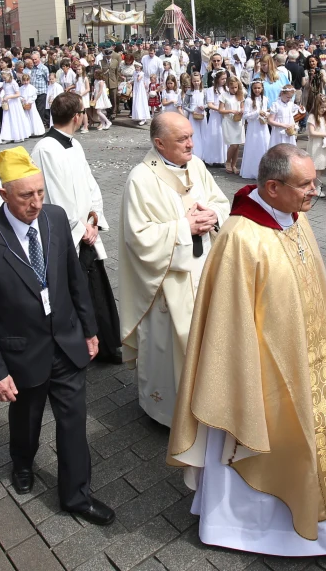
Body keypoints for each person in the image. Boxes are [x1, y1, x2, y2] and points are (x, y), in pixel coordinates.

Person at [167, 144, 326, 557]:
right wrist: (248, 383)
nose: (314, 191)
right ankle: (257, 532)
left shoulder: (294, 219)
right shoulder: (241, 239)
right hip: (260, 377)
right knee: (272, 444)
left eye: (315, 181)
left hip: (310, 363)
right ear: (273, 187)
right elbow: (228, 329)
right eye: (306, 184)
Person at [0, 148, 113, 525]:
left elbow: (74, 279)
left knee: (74, 423)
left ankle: (76, 496)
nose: (36, 203)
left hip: (65, 342)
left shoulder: (56, 218)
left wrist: (90, 330)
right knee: (26, 418)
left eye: (40, 193)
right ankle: (22, 462)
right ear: (3, 196)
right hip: (23, 351)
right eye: (26, 196)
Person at [118, 112, 230, 426]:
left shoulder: (196, 165)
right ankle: (168, 414)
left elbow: (220, 202)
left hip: (204, 271)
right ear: (159, 143)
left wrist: (213, 217)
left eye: (191, 136)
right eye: (182, 139)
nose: (191, 144)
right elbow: (137, 238)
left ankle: (209, 406)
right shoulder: (140, 179)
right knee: (170, 352)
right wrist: (184, 228)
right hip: (168, 283)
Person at [32, 93, 122, 364]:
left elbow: (90, 183)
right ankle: (83, 346)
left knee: (96, 288)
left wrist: (94, 219)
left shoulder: (74, 144)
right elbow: (57, 196)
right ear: (77, 116)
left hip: (86, 231)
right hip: (70, 236)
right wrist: (80, 227)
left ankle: (106, 344)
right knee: (77, 291)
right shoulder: (46, 149)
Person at [239, 80, 270, 181]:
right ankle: (251, 170)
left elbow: (266, 111)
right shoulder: (248, 100)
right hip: (253, 128)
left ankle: (264, 172)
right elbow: (246, 115)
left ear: (262, 88)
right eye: (255, 88)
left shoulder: (264, 99)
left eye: (259, 88)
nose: (257, 90)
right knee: (253, 147)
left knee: (263, 145)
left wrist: (266, 114)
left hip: (262, 126)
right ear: (252, 89)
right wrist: (257, 113)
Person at [306, 94, 326, 188]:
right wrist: (324, 134)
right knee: (317, 168)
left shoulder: (325, 117)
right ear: (316, 106)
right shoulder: (312, 117)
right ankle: (316, 187)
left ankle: (315, 185)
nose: (323, 109)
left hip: (323, 146)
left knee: (321, 167)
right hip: (316, 146)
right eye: (321, 107)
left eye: (325, 107)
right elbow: (311, 132)